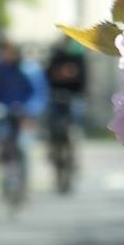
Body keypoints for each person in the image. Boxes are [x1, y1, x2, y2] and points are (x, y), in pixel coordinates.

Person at [0, 41, 48, 199]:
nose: (5, 55)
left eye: (8, 51)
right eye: (2, 51)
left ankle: (22, 183)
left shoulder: (29, 70)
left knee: (21, 145)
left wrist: (29, 110)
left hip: (22, 114)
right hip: (1, 113)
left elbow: (39, 94)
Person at [44, 39, 88, 193]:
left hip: (74, 96)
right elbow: (49, 77)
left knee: (75, 123)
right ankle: (51, 145)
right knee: (52, 123)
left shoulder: (79, 56)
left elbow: (83, 79)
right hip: (56, 96)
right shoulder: (56, 55)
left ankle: (75, 142)